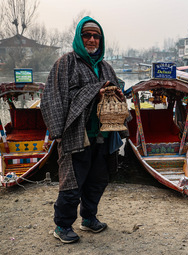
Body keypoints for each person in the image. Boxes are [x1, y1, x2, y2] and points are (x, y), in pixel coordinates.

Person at [41, 16, 125, 244]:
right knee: (72, 182)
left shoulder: (106, 67)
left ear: (101, 39)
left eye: (96, 36)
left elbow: (119, 95)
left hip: (103, 135)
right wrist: (58, 132)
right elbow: (53, 98)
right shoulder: (66, 63)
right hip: (77, 134)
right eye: (86, 35)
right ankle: (62, 225)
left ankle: (89, 218)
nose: (91, 39)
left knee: (98, 179)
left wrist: (115, 94)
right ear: (79, 37)